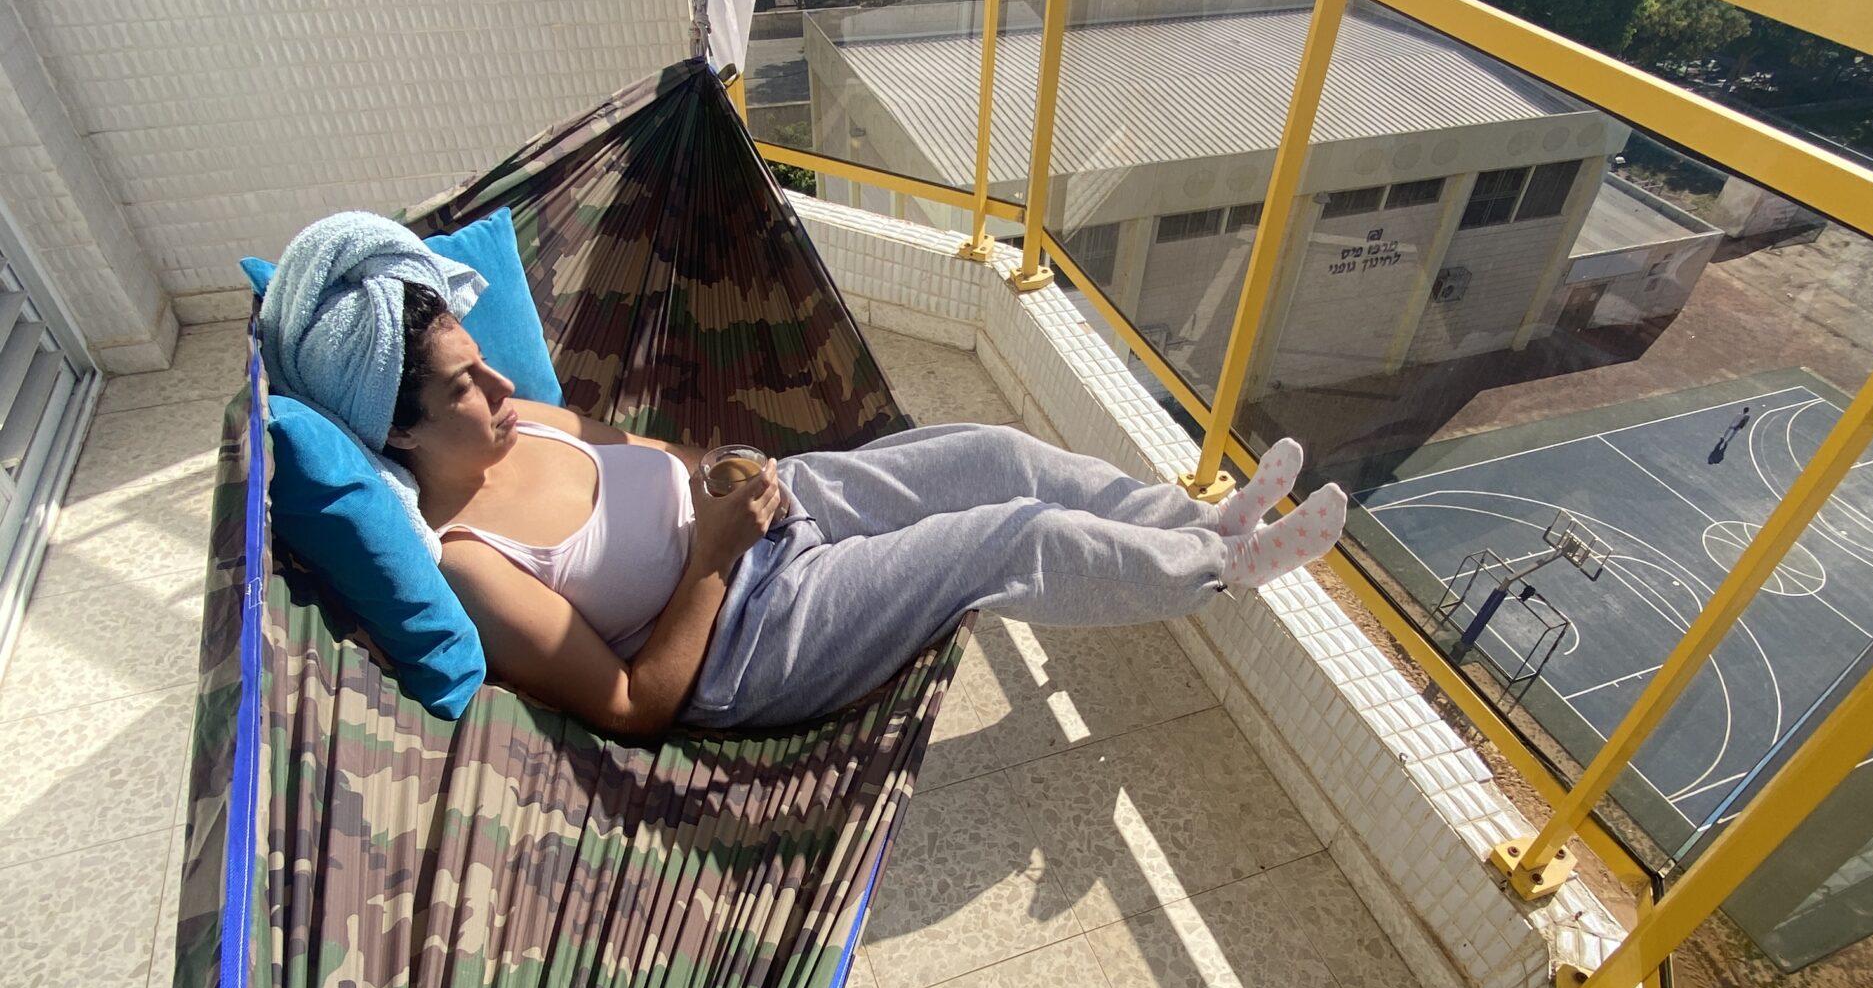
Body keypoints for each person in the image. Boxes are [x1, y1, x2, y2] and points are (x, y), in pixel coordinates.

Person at [262, 213, 1346, 738]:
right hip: (750, 634)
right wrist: (712, 558)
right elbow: (634, 705)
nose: (502, 383)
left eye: (483, 359)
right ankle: (1217, 569)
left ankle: (1197, 517)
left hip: (779, 507)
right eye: (464, 384)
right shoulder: (473, 563)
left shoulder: (526, 418)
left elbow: (661, 459)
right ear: (396, 432)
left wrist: (725, 471)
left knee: (994, 450)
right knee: (1007, 536)